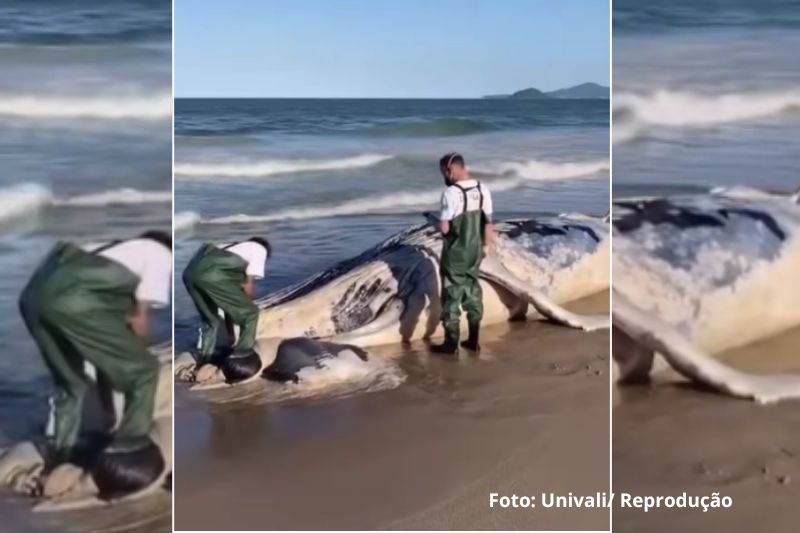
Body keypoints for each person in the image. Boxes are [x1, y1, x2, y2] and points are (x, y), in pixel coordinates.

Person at [18, 230, 172, 497]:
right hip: (71, 298)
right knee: (145, 370)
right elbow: (139, 320)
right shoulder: (159, 252)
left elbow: (105, 346)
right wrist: (140, 353)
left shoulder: (109, 250)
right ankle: (130, 453)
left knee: (71, 384)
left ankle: (61, 458)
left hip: (33, 297)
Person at [182, 237, 272, 382]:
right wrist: (247, 303)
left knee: (210, 321)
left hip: (190, 273)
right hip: (210, 275)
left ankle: (203, 363)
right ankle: (242, 356)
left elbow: (228, 304)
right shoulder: (259, 249)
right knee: (251, 313)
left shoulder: (230, 247)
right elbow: (248, 286)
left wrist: (231, 337)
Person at [431, 152, 495, 355]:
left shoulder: (450, 194)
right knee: (473, 293)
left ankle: (451, 344)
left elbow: (445, 230)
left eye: (443, 172)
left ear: (450, 171)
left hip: (455, 253)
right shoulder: (483, 188)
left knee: (451, 296)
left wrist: (434, 223)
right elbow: (489, 224)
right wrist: (485, 248)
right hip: (475, 252)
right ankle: (473, 340)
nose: (444, 177)